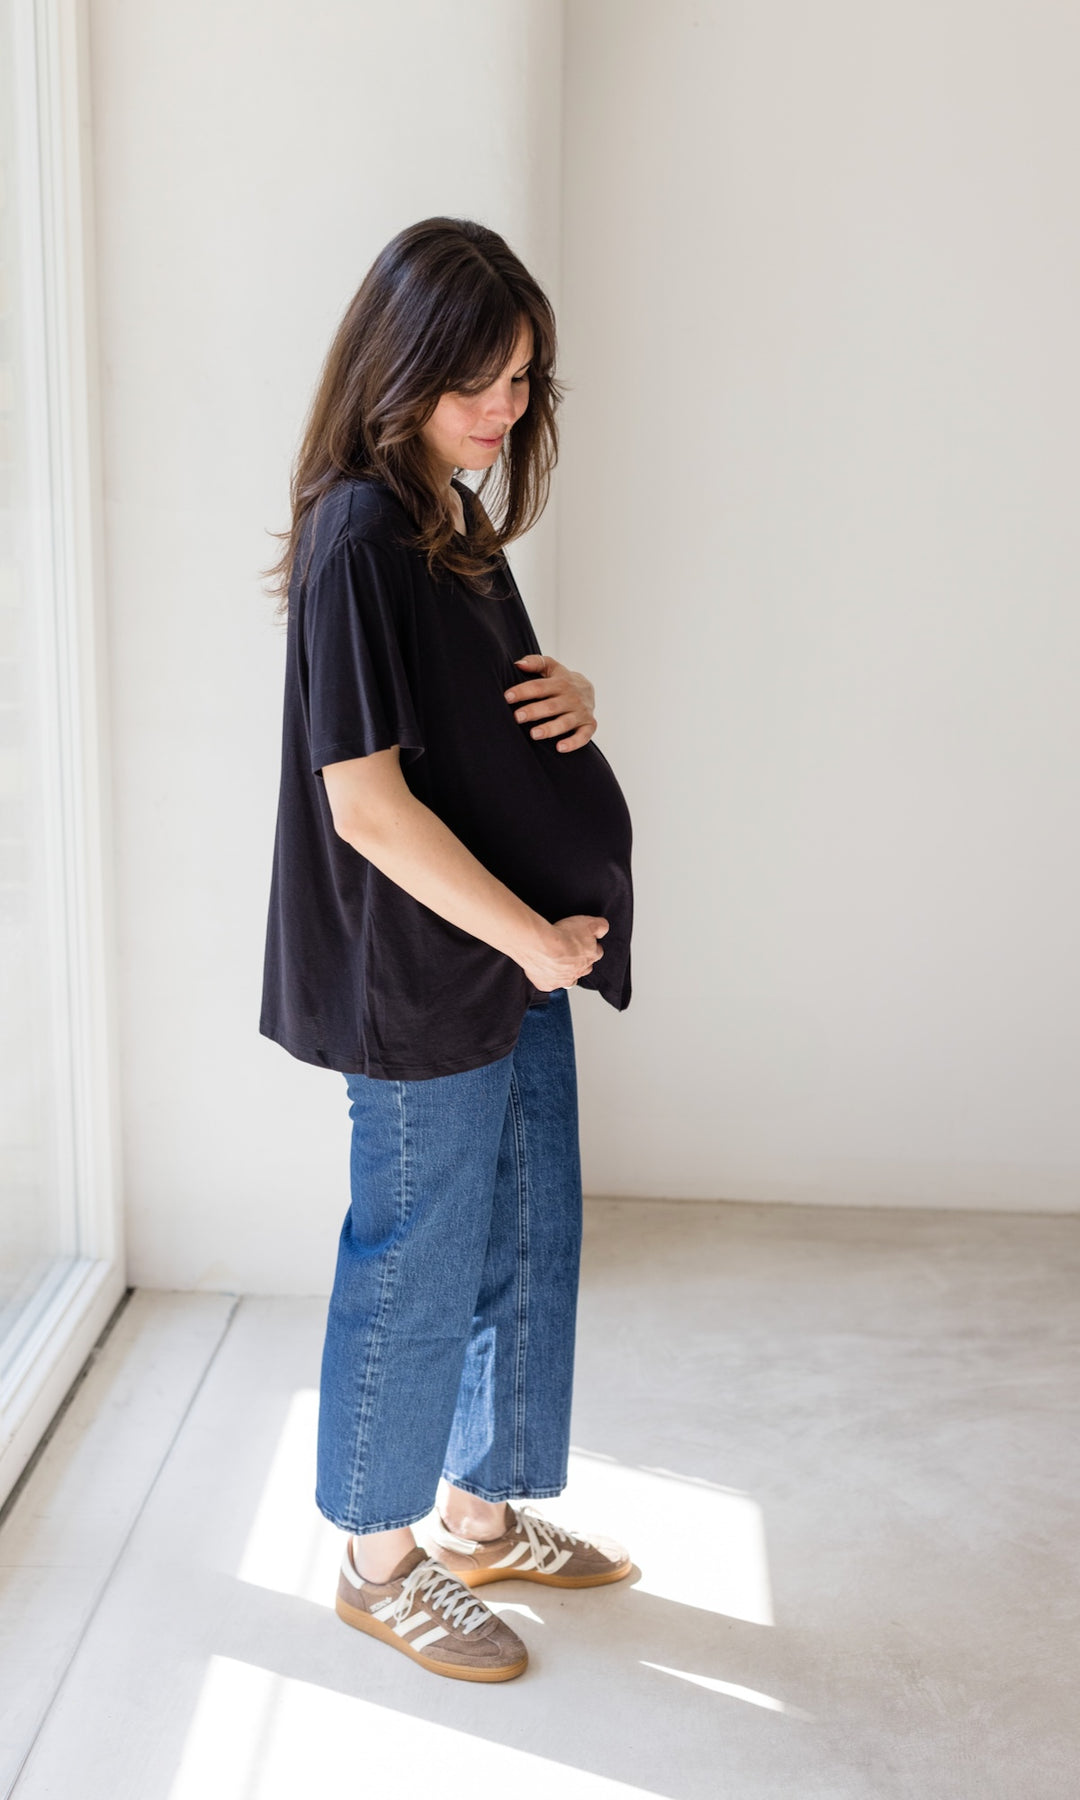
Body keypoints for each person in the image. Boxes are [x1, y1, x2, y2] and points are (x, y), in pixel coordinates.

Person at [260, 217, 634, 1683]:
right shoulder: (360, 529)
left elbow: (474, 735)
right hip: (431, 970)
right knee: (417, 1258)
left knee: (526, 1235)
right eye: (475, 378)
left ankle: (479, 1515)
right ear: (401, 365)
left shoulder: (447, 519)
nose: (503, 407)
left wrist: (572, 698)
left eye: (524, 378)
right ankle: (378, 1559)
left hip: (506, 953)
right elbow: (364, 804)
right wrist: (532, 939)